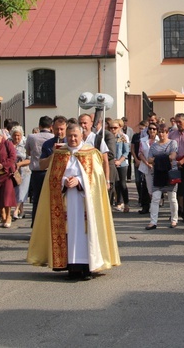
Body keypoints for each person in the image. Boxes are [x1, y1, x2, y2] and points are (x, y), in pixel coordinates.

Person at [27, 123, 120, 280]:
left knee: (85, 232)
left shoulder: (91, 153)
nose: (72, 138)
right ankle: (71, 266)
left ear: (82, 135)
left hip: (85, 202)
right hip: (65, 201)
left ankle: (87, 267)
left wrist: (79, 181)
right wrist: (63, 181)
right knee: (68, 232)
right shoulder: (59, 153)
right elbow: (52, 177)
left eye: (75, 135)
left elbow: (97, 179)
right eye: (69, 136)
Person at [144, 123, 179, 230]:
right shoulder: (154, 145)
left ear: (167, 133)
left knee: (172, 198)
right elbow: (149, 159)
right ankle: (153, 221)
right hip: (158, 174)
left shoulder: (173, 143)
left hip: (170, 173)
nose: (161, 134)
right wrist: (164, 157)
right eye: (160, 132)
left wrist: (157, 158)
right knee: (155, 198)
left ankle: (174, 219)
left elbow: (173, 156)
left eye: (163, 132)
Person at [10, 125, 31, 220]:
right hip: (12, 171)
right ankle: (21, 211)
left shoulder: (26, 143)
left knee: (22, 190)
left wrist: (20, 164)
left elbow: (30, 159)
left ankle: (16, 210)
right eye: (14, 135)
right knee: (15, 191)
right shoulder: (8, 143)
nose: (16, 137)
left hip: (24, 170)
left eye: (18, 135)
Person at [111, 120, 131, 212]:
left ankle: (126, 203)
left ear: (119, 128)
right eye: (111, 128)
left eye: (115, 128)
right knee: (114, 184)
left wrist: (119, 161)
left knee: (122, 183)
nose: (113, 130)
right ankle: (118, 202)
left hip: (122, 163)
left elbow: (126, 151)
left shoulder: (122, 137)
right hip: (111, 162)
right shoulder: (108, 138)